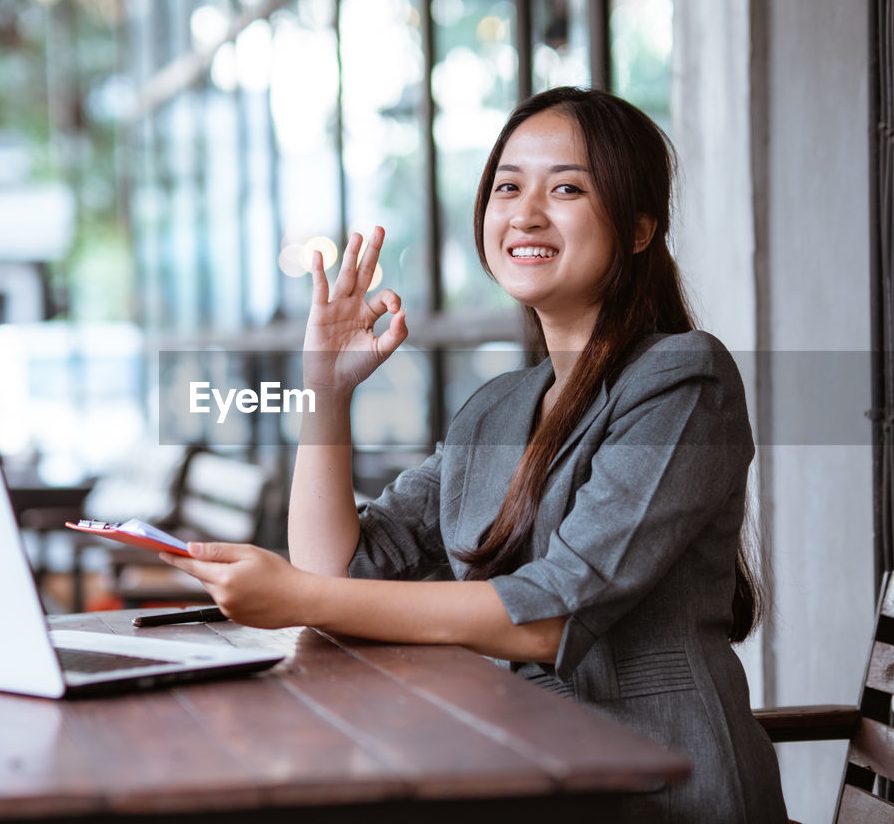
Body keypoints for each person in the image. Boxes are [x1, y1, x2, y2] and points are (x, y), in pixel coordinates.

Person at [162, 86, 787, 821]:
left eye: (567, 188)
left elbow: (554, 614)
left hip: (663, 788)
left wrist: (294, 600)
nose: (525, 213)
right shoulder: (499, 407)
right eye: (507, 186)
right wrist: (325, 391)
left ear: (642, 227)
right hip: (519, 763)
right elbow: (337, 567)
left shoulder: (684, 378)